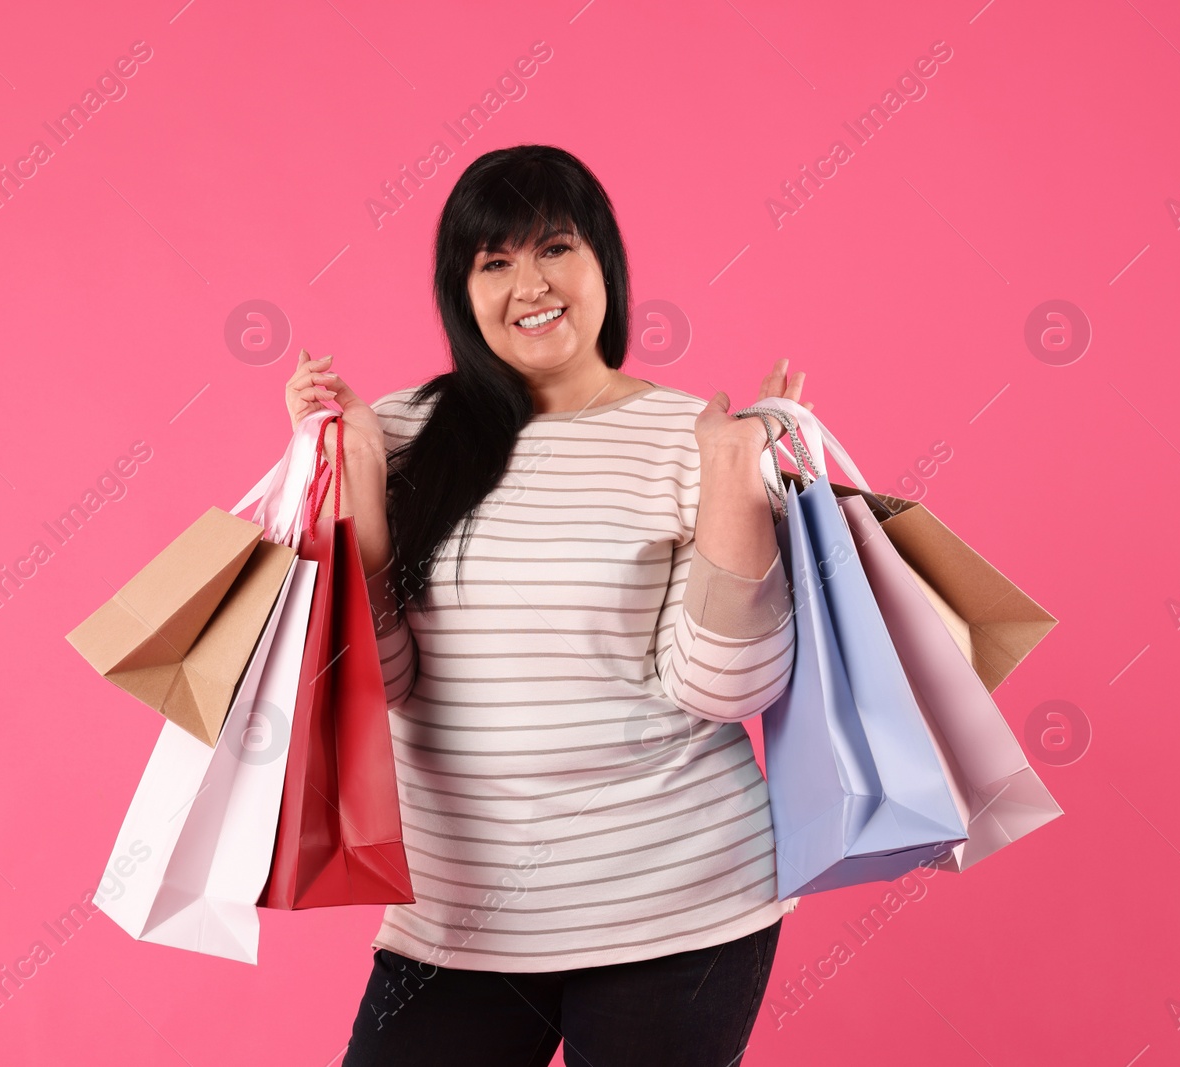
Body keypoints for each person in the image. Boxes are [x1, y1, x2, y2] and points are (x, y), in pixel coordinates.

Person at [283, 144, 811, 1067]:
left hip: (676, 905)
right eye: (495, 261)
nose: (531, 282)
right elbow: (382, 681)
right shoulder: (406, 432)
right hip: (457, 919)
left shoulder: (690, 436)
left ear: (603, 262)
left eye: (555, 248)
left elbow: (726, 688)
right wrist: (356, 476)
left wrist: (734, 481)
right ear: (463, 289)